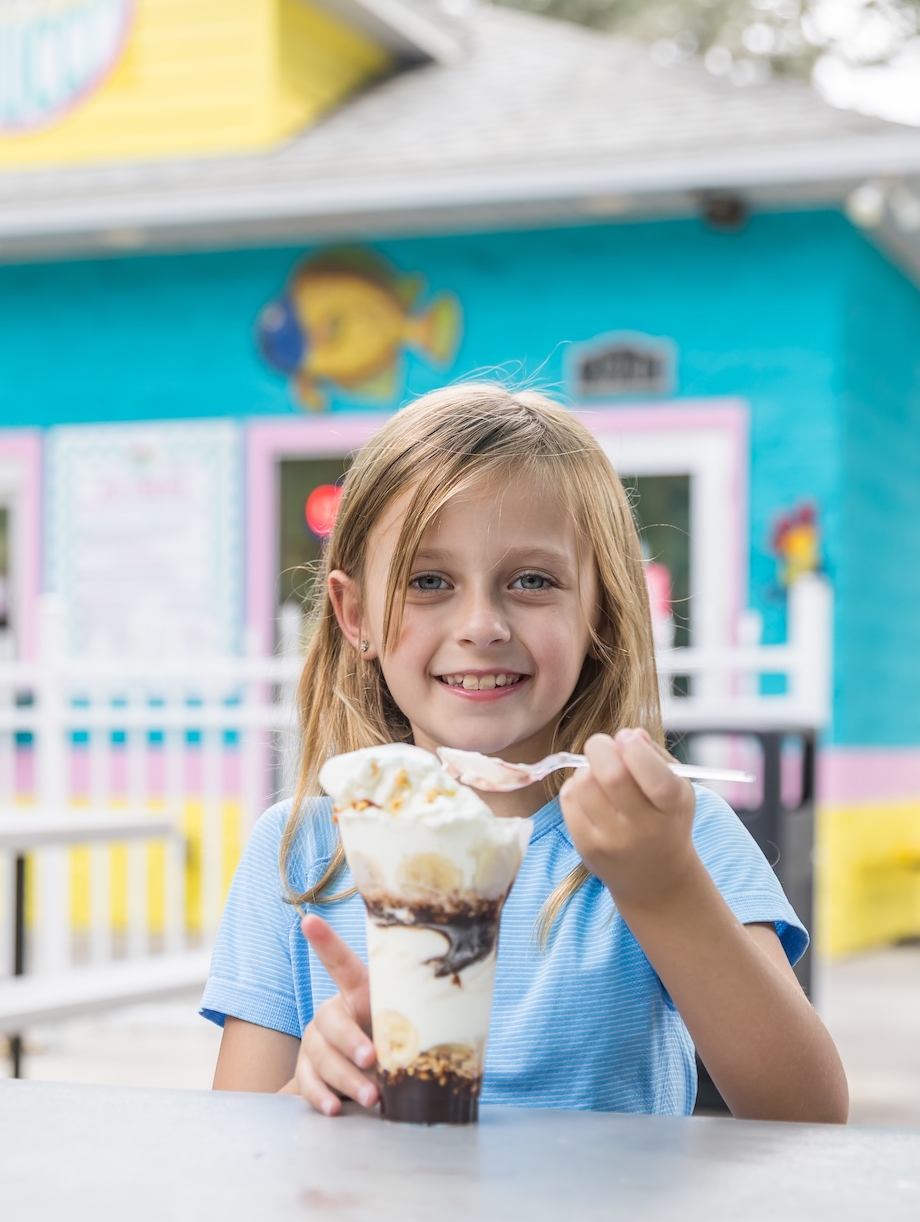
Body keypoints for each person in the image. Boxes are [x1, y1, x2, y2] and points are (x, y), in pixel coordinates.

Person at [205, 383, 848, 1121]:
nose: (481, 624)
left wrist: (663, 886)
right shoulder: (300, 853)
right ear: (356, 616)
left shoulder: (674, 837)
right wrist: (318, 1087)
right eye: (429, 581)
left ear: (600, 611)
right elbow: (239, 1150)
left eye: (533, 581)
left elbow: (808, 1113)